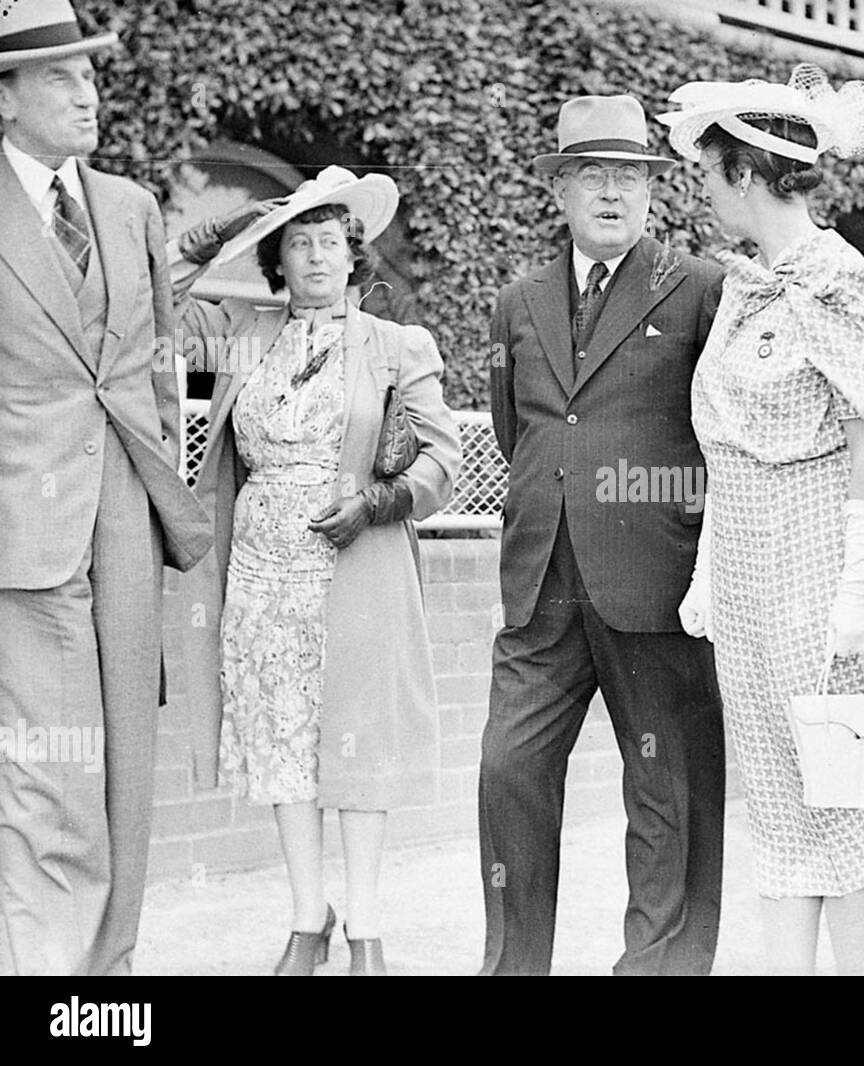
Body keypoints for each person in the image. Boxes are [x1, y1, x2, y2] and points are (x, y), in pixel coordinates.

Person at [658, 65, 864, 976]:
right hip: (747, 581)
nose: (701, 189)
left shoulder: (849, 284)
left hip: (823, 574)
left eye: (708, 171)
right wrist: (708, 568)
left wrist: (863, 583)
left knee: (845, 794)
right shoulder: (744, 287)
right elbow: (724, 444)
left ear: (745, 174)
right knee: (775, 799)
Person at [171, 166, 462, 975]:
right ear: (277, 262)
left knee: (356, 745)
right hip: (260, 575)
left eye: (330, 242)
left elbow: (445, 458)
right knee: (280, 746)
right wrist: (210, 239)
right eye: (298, 244)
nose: (316, 257)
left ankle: (366, 926)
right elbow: (144, 311)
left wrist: (380, 501)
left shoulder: (397, 345)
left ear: (352, 255)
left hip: (353, 564)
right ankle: (308, 916)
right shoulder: (240, 331)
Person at [480, 94, 726, 976]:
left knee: (667, 796)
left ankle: (659, 968)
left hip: (655, 583)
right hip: (543, 580)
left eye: (629, 175)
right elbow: (520, 430)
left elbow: (719, 426)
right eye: (592, 175)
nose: (612, 193)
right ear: (561, 191)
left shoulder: (700, 287)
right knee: (508, 774)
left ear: (652, 190)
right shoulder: (519, 301)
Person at [0, 0, 212, 975]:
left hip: (127, 514)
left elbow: (157, 364)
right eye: (59, 77)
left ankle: (108, 975)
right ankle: (51, 981)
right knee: (54, 774)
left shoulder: (129, 207)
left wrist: (162, 475)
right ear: (6, 97)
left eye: (91, 74)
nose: (87, 93)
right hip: (21, 526)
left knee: (127, 762)